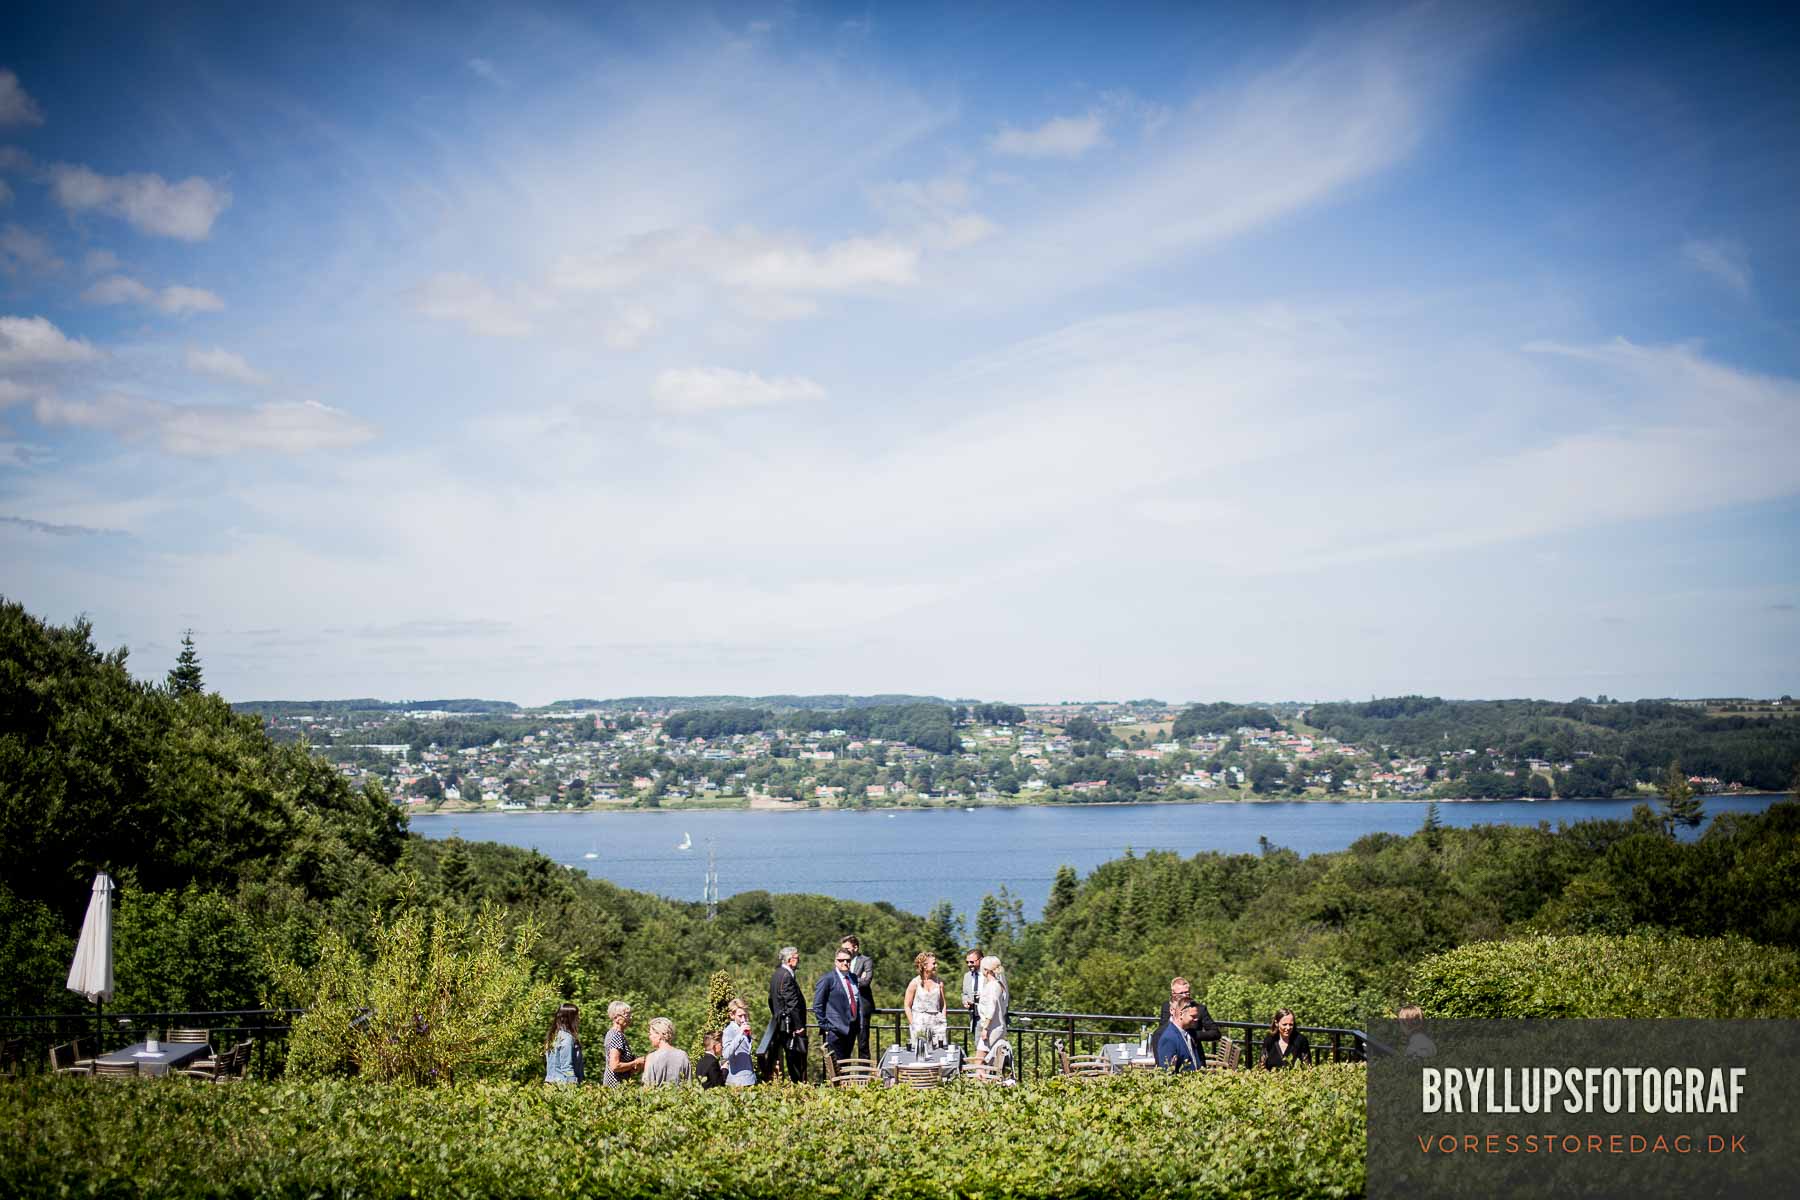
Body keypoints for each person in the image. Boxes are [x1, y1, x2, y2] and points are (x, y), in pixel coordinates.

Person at [760, 945, 809, 1083]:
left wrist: (776, 1014)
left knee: (786, 1055)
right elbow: (792, 1003)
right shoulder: (786, 976)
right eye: (796, 957)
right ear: (789, 960)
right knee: (795, 1057)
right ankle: (798, 1085)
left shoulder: (777, 974)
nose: (798, 960)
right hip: (790, 1026)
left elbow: (770, 999)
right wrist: (799, 1026)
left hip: (781, 1023)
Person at [813, 945, 863, 1069]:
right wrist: (826, 1026)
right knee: (836, 1068)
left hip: (851, 1029)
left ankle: (846, 1089)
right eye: (841, 960)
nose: (845, 963)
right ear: (836, 961)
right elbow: (818, 1005)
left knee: (846, 1065)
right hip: (835, 1030)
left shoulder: (853, 978)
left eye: (848, 960)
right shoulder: (827, 979)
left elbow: (856, 1001)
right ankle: (837, 1089)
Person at [1156, 977, 1220, 1052]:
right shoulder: (1167, 1007)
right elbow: (1162, 1028)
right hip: (1172, 1050)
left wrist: (1192, 1035)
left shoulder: (1199, 1009)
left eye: (1187, 992)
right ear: (1173, 993)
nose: (1184, 995)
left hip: (1195, 1052)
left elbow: (1215, 1033)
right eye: (1181, 993)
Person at [903, 951, 948, 1050]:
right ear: (924, 965)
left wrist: (943, 1020)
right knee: (921, 1051)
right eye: (934, 963)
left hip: (937, 1023)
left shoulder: (939, 982)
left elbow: (943, 1004)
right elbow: (907, 1005)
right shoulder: (914, 983)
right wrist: (913, 1023)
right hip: (919, 1022)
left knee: (940, 1051)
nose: (936, 965)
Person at [842, 935, 875, 1059]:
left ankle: (865, 1076)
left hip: (862, 1007)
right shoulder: (843, 961)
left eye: (847, 948)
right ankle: (844, 1076)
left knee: (863, 1044)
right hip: (846, 1008)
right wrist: (858, 977)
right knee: (845, 1045)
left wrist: (848, 979)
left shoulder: (865, 960)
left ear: (855, 947)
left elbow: (866, 981)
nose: (844, 951)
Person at [972, 954, 1008, 1067]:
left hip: (991, 1028)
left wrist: (985, 1028)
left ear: (986, 970)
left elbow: (991, 1008)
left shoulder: (992, 986)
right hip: (998, 1027)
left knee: (980, 1062)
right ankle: (988, 1083)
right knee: (991, 1063)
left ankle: (981, 1083)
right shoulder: (999, 984)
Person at [1155, 1000, 1203, 1073]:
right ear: (1181, 1014)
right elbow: (1167, 1073)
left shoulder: (1188, 1033)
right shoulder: (1169, 1038)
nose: (1196, 1019)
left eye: (1197, 1016)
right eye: (1193, 1016)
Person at [602, 1001, 644, 1086]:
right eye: (627, 1015)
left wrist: (632, 1067)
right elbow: (615, 1066)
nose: (630, 1018)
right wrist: (635, 1062)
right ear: (616, 1018)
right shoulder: (616, 1035)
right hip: (615, 1087)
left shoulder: (616, 1034)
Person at [641, 1016, 692, 1086]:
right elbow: (688, 1085)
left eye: (650, 1034)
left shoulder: (652, 1057)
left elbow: (648, 1087)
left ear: (659, 1035)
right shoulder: (683, 1055)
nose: (649, 1037)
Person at [543, 1003, 583, 1085]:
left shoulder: (553, 1036)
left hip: (551, 1083)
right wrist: (573, 1084)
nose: (579, 1018)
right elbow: (566, 1067)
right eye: (577, 1016)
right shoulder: (566, 1038)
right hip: (562, 1085)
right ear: (570, 1018)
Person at [723, 998, 758, 1086]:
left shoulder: (745, 1027)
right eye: (740, 1016)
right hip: (737, 1082)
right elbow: (726, 1054)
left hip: (750, 1079)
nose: (743, 1019)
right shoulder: (729, 1031)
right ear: (732, 1015)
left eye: (745, 1015)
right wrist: (740, 1034)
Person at [960, 948, 984, 1039]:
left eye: (972, 962)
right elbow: (964, 994)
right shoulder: (967, 976)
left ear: (981, 960)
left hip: (990, 1019)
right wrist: (965, 1001)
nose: (969, 965)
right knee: (979, 1048)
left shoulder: (990, 975)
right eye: (967, 962)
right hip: (975, 1018)